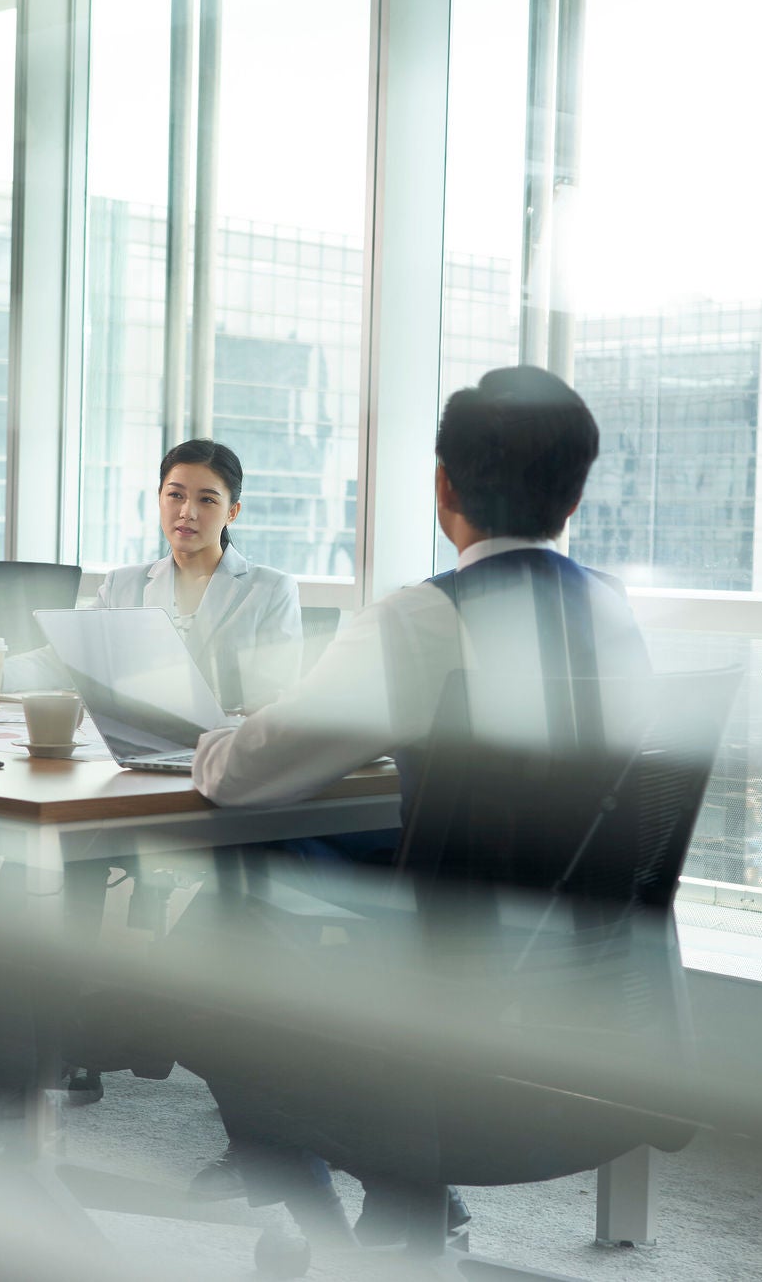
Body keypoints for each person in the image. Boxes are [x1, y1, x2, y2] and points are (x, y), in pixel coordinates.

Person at [179, 366, 651, 1240]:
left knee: (197, 941)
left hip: (448, 981)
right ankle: (400, 1206)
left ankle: (344, 1220)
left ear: (443, 485)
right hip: (593, 980)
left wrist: (212, 739)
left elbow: (242, 774)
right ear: (575, 494)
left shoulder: (422, 620)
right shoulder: (616, 611)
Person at [7, 438, 302, 713]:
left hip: (224, 749)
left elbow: (277, 694)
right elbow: (63, 661)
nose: (187, 512)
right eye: (176, 495)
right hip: (131, 746)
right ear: (159, 499)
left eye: (207, 500)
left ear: (232, 512)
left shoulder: (270, 589)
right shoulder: (121, 585)